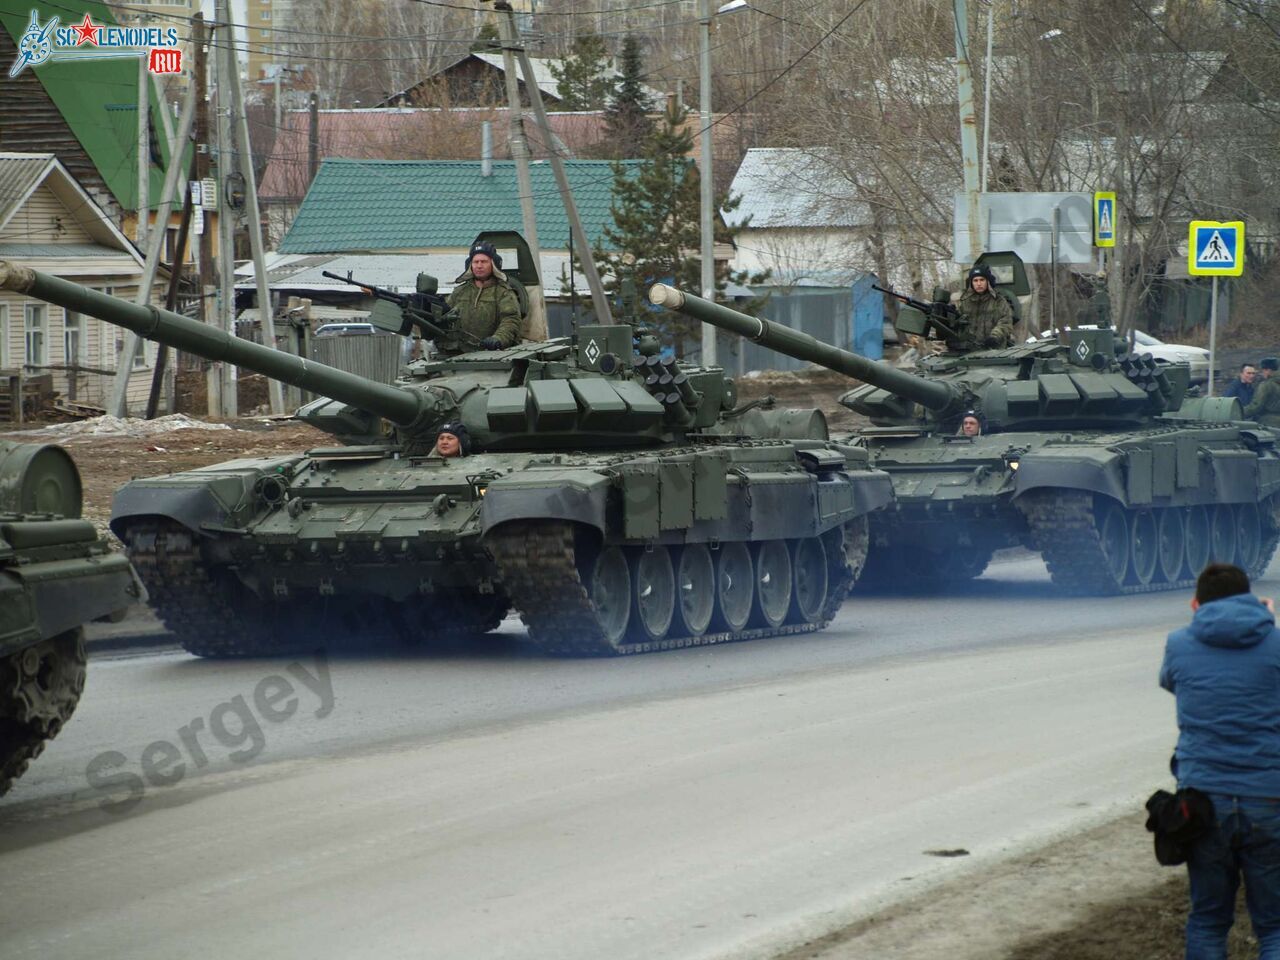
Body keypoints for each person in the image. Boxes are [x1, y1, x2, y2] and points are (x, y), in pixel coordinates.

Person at [1159, 562, 1280, 959]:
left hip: (1203, 802)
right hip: (1268, 798)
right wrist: (1267, 623)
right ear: (1252, 599)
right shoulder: (1275, 642)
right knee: (1275, 925)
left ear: (1196, 604)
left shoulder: (1179, 643)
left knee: (1208, 920)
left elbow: (1171, 682)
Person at [443, 241, 522, 354]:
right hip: (458, 354)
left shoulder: (503, 293)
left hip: (492, 356)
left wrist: (498, 339)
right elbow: (444, 316)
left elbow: (511, 320)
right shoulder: (459, 292)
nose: (479, 266)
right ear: (470, 264)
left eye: (484, 262)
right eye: (476, 262)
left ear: (493, 264)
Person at [952, 264, 1014, 352]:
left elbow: (1005, 322)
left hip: (995, 350)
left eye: (982, 280)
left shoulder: (999, 301)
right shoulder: (964, 302)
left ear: (988, 281)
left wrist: (994, 337)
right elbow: (956, 323)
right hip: (969, 351)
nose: (979, 283)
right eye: (975, 280)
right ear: (971, 283)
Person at [1243, 357, 1280, 426]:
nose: (1262, 373)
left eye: (1263, 370)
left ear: (1268, 370)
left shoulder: (1266, 385)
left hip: (1268, 423)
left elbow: (1256, 406)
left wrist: (1240, 412)